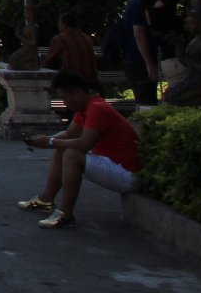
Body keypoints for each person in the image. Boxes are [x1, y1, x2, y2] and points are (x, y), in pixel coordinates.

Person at [18, 70, 142, 228]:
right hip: (113, 164)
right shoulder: (85, 107)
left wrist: (50, 141)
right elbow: (69, 134)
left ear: (78, 93)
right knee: (64, 147)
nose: (64, 103)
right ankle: (46, 199)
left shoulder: (97, 108)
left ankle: (66, 213)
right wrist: (46, 139)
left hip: (127, 173)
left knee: (72, 155)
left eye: (65, 98)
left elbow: (84, 144)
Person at [114, 0, 168, 105]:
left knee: (147, 97)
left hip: (136, 57)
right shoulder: (139, 5)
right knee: (146, 99)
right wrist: (150, 64)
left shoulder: (137, 2)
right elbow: (139, 35)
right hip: (138, 59)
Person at [162, 8, 201, 107]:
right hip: (192, 78)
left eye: (192, 23)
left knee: (173, 96)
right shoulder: (194, 41)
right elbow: (187, 62)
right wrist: (179, 49)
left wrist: (184, 59)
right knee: (169, 93)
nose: (189, 26)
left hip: (200, 81)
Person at [43, 11, 97, 87]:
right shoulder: (86, 38)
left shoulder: (60, 38)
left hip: (73, 82)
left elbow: (48, 60)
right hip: (92, 80)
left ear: (63, 25)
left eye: (59, 24)